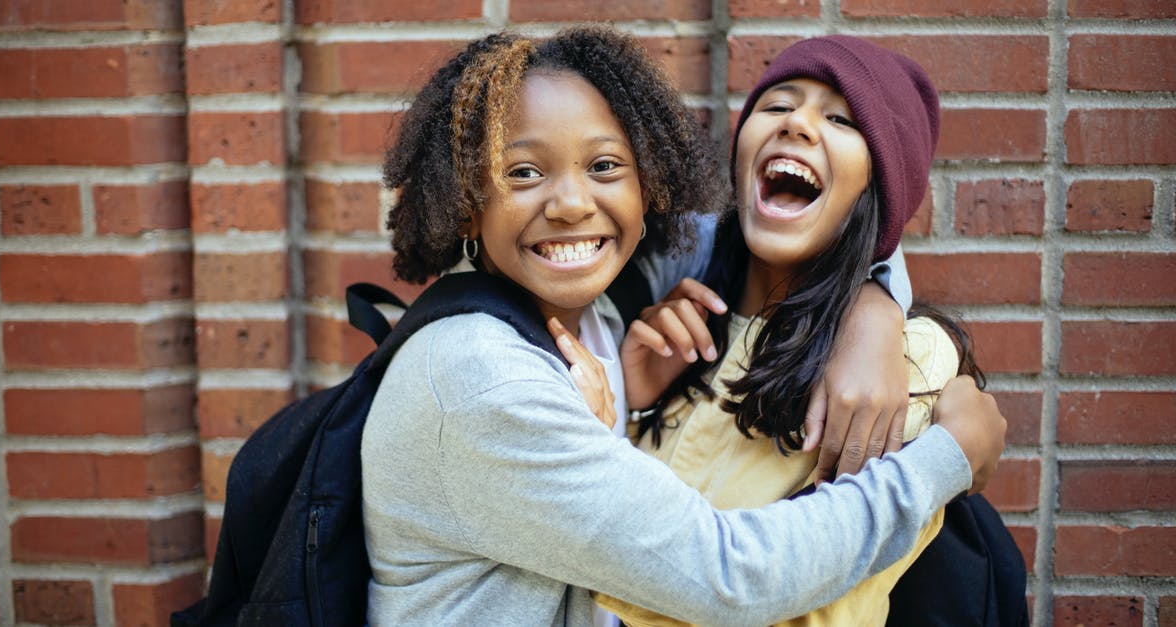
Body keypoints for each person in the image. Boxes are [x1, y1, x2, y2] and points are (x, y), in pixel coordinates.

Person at [361, 26, 1005, 626]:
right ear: (466, 204)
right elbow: (722, 576)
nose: (571, 204)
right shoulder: (485, 376)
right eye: (522, 172)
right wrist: (947, 458)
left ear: (649, 187)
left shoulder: (624, 302)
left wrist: (878, 308)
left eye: (605, 166)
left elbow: (870, 213)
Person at [596, 35, 983, 626]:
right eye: (776, 106)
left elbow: (813, 604)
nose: (797, 124)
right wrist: (625, 408)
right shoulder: (681, 325)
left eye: (840, 119)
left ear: (878, 186)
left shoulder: (900, 366)